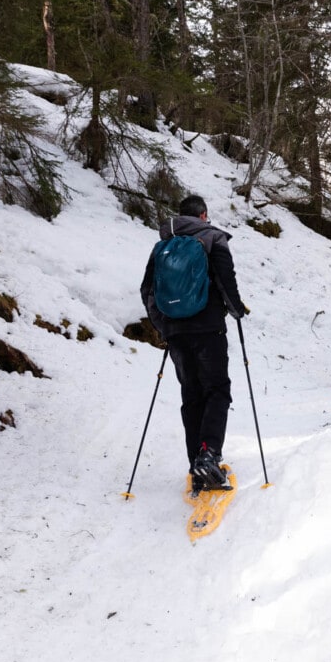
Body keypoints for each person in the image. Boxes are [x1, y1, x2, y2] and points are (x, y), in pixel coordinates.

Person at [140, 194, 248, 491]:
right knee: (217, 389)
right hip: (209, 328)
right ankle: (209, 456)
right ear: (203, 215)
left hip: (177, 332)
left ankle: (196, 463)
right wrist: (237, 310)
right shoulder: (213, 238)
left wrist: (164, 326)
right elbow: (227, 281)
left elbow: (147, 291)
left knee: (192, 393)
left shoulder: (161, 246)